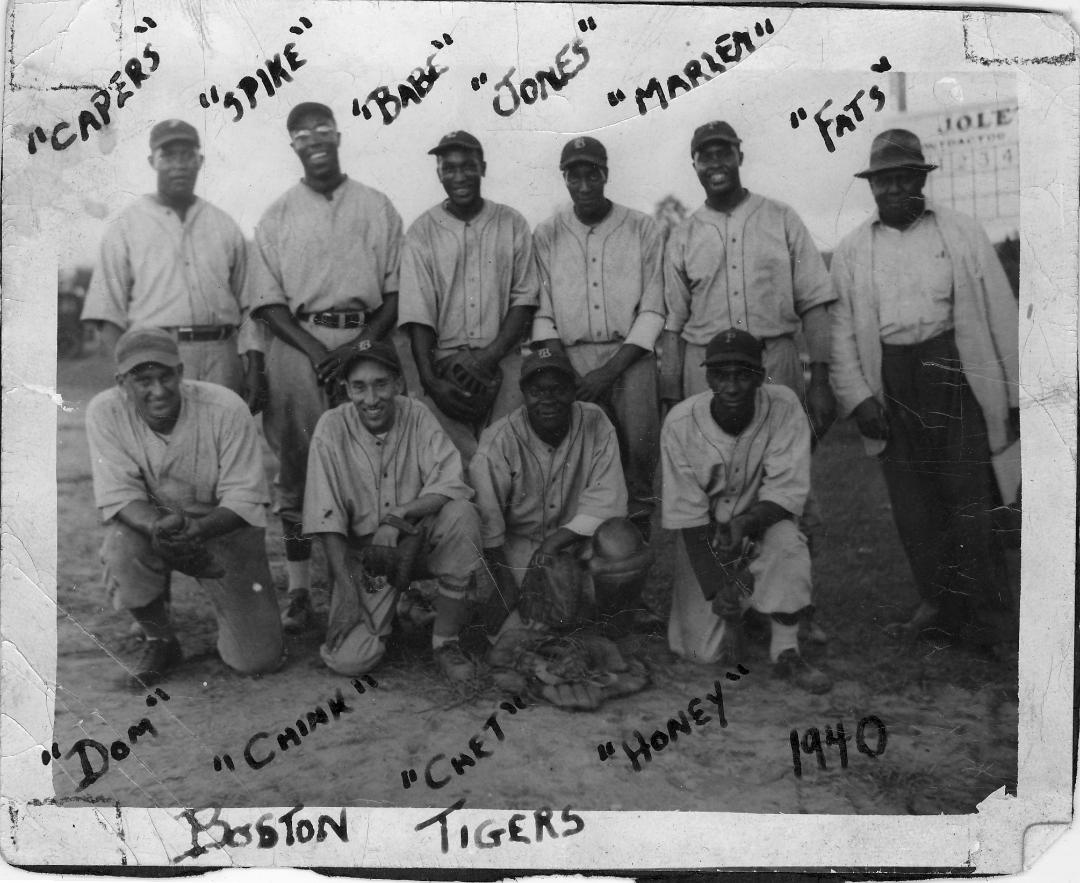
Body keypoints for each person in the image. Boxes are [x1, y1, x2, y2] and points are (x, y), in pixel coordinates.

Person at [830, 128, 1020, 648]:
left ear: (920, 179)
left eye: (902, 179)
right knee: (914, 504)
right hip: (890, 377)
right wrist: (860, 398)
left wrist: (1015, 395)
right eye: (882, 181)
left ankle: (988, 615)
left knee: (968, 498)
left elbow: (1000, 310)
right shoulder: (851, 250)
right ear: (871, 186)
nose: (892, 190)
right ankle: (938, 608)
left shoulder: (960, 232)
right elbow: (842, 332)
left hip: (951, 368)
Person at [246, 102, 404, 632]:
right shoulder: (277, 213)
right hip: (298, 344)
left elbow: (396, 292)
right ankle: (297, 591)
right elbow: (266, 302)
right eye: (301, 133)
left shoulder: (376, 205)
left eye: (321, 129)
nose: (313, 139)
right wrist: (317, 352)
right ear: (292, 144)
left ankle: (373, 584)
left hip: (366, 338)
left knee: (374, 463)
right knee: (296, 469)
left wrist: (361, 345)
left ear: (338, 134)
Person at [85, 327, 284, 689]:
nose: (157, 390)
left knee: (257, 660)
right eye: (143, 380)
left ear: (180, 372)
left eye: (165, 376)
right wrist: (159, 528)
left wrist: (200, 530)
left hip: (222, 529)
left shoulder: (225, 407)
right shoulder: (105, 411)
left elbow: (245, 497)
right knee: (120, 544)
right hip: (156, 526)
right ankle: (159, 638)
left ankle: (235, 620)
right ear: (121, 381)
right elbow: (118, 494)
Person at [302, 340, 485, 682]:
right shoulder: (330, 426)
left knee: (463, 514)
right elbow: (326, 521)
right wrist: (346, 595)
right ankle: (395, 613)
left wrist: (397, 516)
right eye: (359, 387)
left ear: (399, 383)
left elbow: (451, 481)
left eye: (380, 384)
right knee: (349, 661)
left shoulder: (417, 413)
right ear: (346, 389)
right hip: (365, 558)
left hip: (413, 540)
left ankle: (446, 641)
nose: (371, 399)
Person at [660, 328, 830, 694]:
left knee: (788, 541)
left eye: (742, 374)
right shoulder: (680, 422)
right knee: (702, 653)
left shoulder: (784, 405)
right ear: (708, 377)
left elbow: (787, 491)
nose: (733, 386)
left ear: (759, 375)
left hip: (764, 521)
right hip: (706, 534)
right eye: (722, 375)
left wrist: (747, 522)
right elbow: (686, 516)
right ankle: (753, 609)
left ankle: (786, 649)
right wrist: (714, 585)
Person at [659, 120, 836, 442]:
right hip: (706, 369)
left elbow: (814, 302)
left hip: (773, 361)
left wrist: (821, 382)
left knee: (782, 471)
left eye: (723, 153)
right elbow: (673, 324)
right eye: (705, 156)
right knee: (711, 472)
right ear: (694, 165)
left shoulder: (781, 217)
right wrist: (671, 394)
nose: (715, 163)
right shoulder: (684, 235)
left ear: (739, 156)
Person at [531, 136, 666, 533]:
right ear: (565, 179)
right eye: (576, 176)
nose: (585, 185)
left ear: (606, 174)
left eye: (593, 174)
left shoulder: (642, 228)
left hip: (630, 356)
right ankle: (583, 552)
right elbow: (543, 312)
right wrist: (567, 371)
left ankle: (632, 559)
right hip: (568, 357)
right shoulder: (547, 233)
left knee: (638, 454)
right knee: (578, 460)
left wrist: (608, 373)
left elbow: (654, 308)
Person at [81, 119, 264, 408]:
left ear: (199, 161)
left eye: (187, 155)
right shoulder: (126, 225)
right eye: (168, 155)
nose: (178, 164)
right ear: (152, 160)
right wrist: (129, 373)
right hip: (156, 355)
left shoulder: (223, 225)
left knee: (220, 444)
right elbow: (106, 315)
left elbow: (251, 308)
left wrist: (254, 369)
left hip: (222, 354)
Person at [469, 347, 651, 636]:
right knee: (526, 632)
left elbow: (609, 503)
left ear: (573, 390)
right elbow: (489, 525)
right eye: (537, 391)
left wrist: (553, 544)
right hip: (518, 548)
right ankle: (567, 617)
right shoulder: (498, 441)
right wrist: (505, 587)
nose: (548, 399)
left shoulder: (596, 421)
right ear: (524, 393)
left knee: (621, 541)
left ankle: (613, 627)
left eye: (558, 389)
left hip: (577, 540)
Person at [398, 130, 539, 461]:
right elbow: (418, 315)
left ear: (483, 168)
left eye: (468, 166)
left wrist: (487, 358)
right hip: (446, 363)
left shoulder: (511, 222)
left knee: (508, 457)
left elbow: (524, 300)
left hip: (503, 356)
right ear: (439, 173)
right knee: (451, 463)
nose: (458, 176)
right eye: (449, 168)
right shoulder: (422, 231)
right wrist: (431, 383)